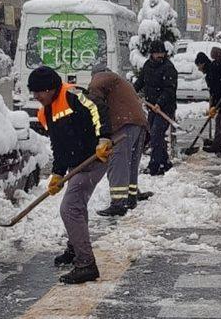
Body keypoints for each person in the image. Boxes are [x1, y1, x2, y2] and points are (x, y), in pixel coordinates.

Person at [28, 66, 113, 284]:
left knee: (70, 208)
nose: (36, 97)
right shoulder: (46, 111)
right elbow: (59, 146)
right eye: (34, 93)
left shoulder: (73, 95)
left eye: (39, 92)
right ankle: (75, 249)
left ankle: (86, 264)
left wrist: (103, 137)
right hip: (77, 163)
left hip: (95, 158)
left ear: (50, 88)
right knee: (76, 206)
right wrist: (57, 173)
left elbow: (98, 108)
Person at [87, 64, 151, 217]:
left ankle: (118, 203)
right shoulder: (120, 82)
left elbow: (95, 104)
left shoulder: (99, 79)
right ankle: (131, 196)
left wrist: (101, 132)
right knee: (131, 163)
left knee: (118, 162)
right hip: (139, 123)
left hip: (124, 124)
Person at [134, 40, 178, 176]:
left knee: (156, 134)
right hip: (152, 107)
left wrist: (160, 102)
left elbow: (170, 90)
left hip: (164, 108)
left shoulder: (168, 68)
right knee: (155, 135)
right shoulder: (148, 66)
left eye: (162, 52)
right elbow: (140, 81)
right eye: (157, 53)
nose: (159, 55)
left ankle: (154, 166)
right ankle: (165, 163)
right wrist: (131, 91)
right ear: (152, 54)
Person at [194, 49, 221, 156]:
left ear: (202, 63)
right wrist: (214, 106)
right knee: (219, 122)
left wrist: (215, 106)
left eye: (198, 66)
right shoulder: (213, 68)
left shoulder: (213, 70)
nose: (198, 69)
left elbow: (216, 90)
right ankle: (217, 144)